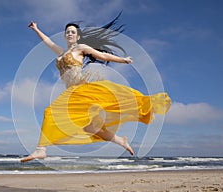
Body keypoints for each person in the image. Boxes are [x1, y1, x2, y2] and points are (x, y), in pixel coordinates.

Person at [21, 15, 171, 162]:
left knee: (49, 112)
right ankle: (121, 141)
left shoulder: (81, 48)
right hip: (72, 93)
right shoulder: (62, 53)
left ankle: (41, 150)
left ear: (78, 36)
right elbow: (48, 42)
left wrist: (123, 60)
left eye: (73, 32)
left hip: (81, 90)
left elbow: (103, 56)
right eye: (67, 32)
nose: (69, 34)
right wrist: (36, 29)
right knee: (90, 128)